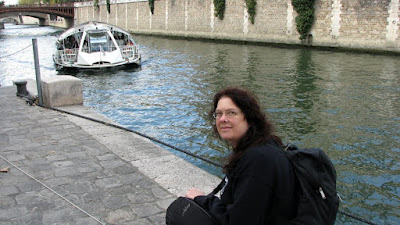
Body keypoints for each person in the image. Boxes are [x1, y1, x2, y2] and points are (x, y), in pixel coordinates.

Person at [185, 87, 298, 225]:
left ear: (249, 118)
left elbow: (237, 221)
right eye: (218, 114)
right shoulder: (264, 145)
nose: (223, 119)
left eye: (231, 113)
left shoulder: (258, 160)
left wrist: (201, 198)